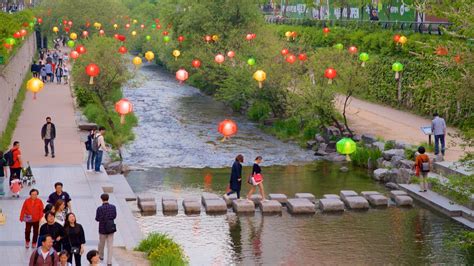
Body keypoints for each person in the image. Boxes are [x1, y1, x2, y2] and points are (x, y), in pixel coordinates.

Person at [95, 193, 117, 266]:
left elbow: (97, 219)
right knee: (110, 245)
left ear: (101, 199)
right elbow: (114, 216)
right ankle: (109, 262)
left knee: (101, 243)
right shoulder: (113, 207)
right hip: (111, 228)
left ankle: (101, 256)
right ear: (108, 198)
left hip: (102, 229)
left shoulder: (99, 208)